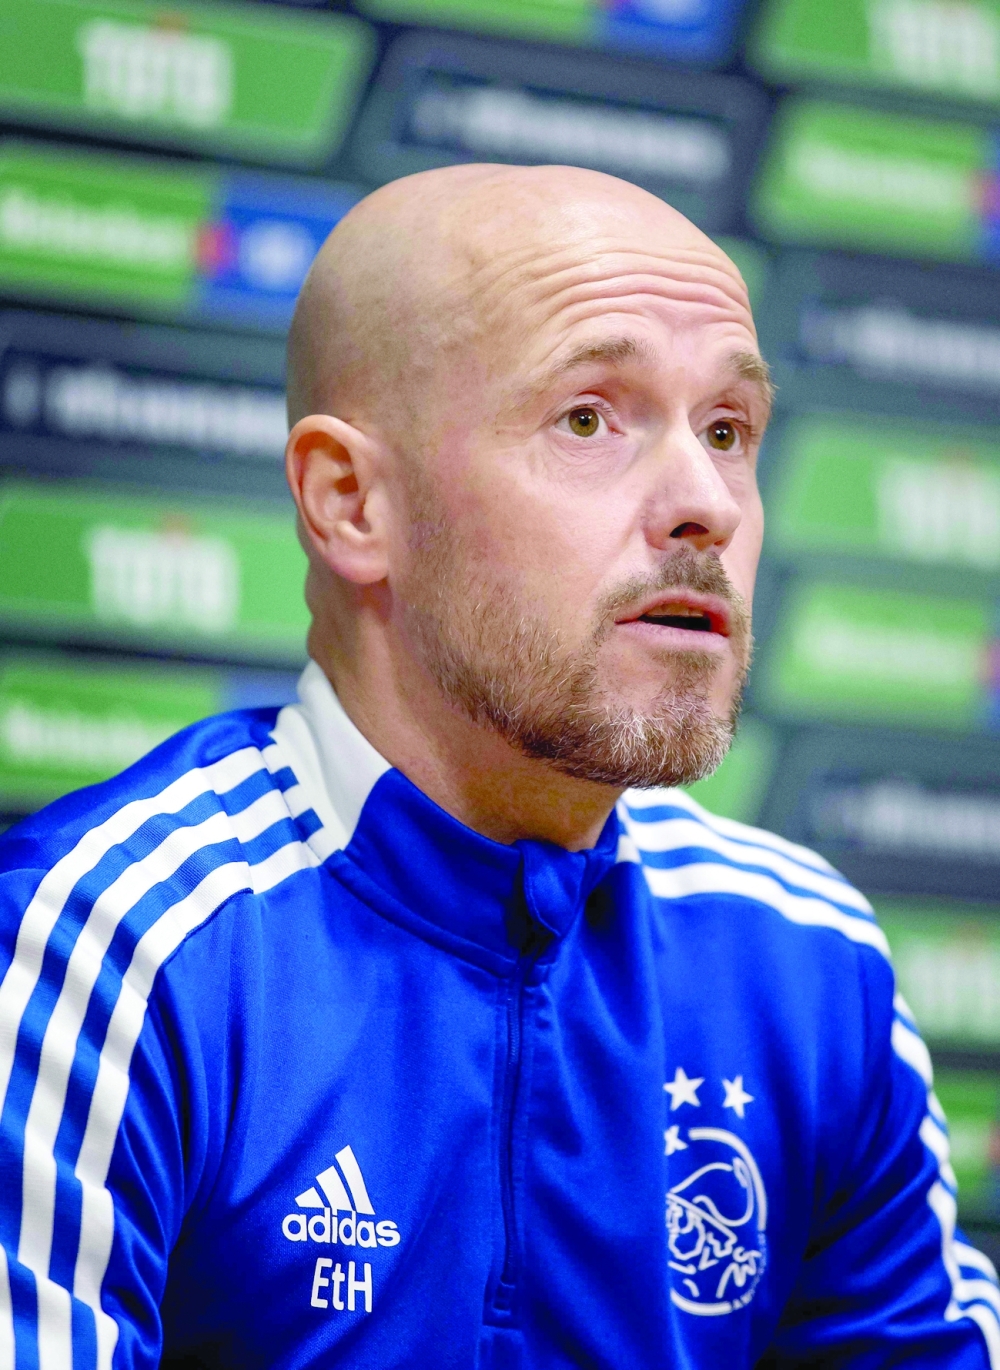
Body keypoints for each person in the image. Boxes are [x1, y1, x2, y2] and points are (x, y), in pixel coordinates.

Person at [0, 163, 995, 1370]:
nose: (705, 504)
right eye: (589, 417)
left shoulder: (802, 959)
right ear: (350, 501)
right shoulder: (98, 951)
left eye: (728, 430)